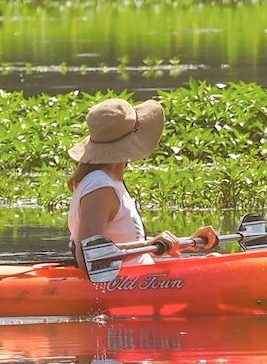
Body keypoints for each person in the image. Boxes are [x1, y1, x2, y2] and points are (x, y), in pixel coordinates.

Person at [65, 97, 217, 268]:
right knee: (219, 268)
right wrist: (149, 244)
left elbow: (126, 246)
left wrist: (189, 241)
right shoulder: (100, 188)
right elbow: (89, 256)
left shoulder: (110, 181)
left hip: (139, 275)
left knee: (214, 258)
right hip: (125, 284)